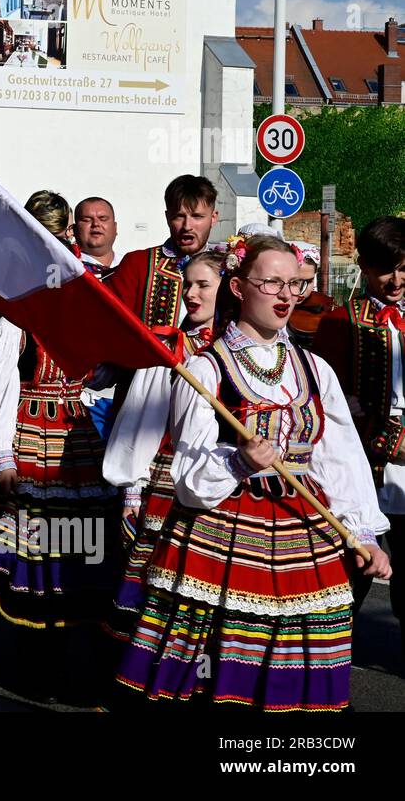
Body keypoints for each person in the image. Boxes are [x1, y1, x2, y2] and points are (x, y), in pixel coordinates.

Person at [113, 235, 391, 711]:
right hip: (224, 533)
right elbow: (190, 476)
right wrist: (240, 461)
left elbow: (339, 456)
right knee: (219, 663)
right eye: (271, 283)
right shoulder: (207, 367)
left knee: (301, 658)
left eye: (293, 285)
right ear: (239, 288)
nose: (285, 296)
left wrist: (363, 531)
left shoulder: (314, 369)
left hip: (304, 530)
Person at [0, 191, 119, 701]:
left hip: (77, 442)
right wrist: (2, 456)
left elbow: (107, 372)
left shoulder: (82, 315)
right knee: (29, 550)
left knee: (79, 548)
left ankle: (70, 656)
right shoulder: (16, 320)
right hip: (31, 441)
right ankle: (30, 657)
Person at [102, 248, 225, 645]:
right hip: (169, 482)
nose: (191, 293)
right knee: (161, 585)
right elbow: (141, 418)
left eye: (203, 285)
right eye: (187, 284)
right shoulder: (171, 344)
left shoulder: (237, 348)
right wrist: (132, 487)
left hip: (224, 483)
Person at [314, 216, 405, 655]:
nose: (396, 279)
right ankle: (323, 681)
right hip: (365, 469)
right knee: (349, 583)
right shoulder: (339, 322)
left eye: (404, 267)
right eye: (386, 268)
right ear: (366, 268)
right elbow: (329, 407)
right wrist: (387, 440)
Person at [107, 175, 217, 329]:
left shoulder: (227, 266)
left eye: (197, 216)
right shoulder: (139, 263)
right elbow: (111, 323)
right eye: (179, 216)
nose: (187, 226)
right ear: (167, 218)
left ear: (213, 218)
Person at [73, 196, 120, 280]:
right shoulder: (66, 270)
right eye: (87, 220)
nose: (96, 224)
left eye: (103, 219)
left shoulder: (132, 266)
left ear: (115, 227)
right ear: (75, 230)